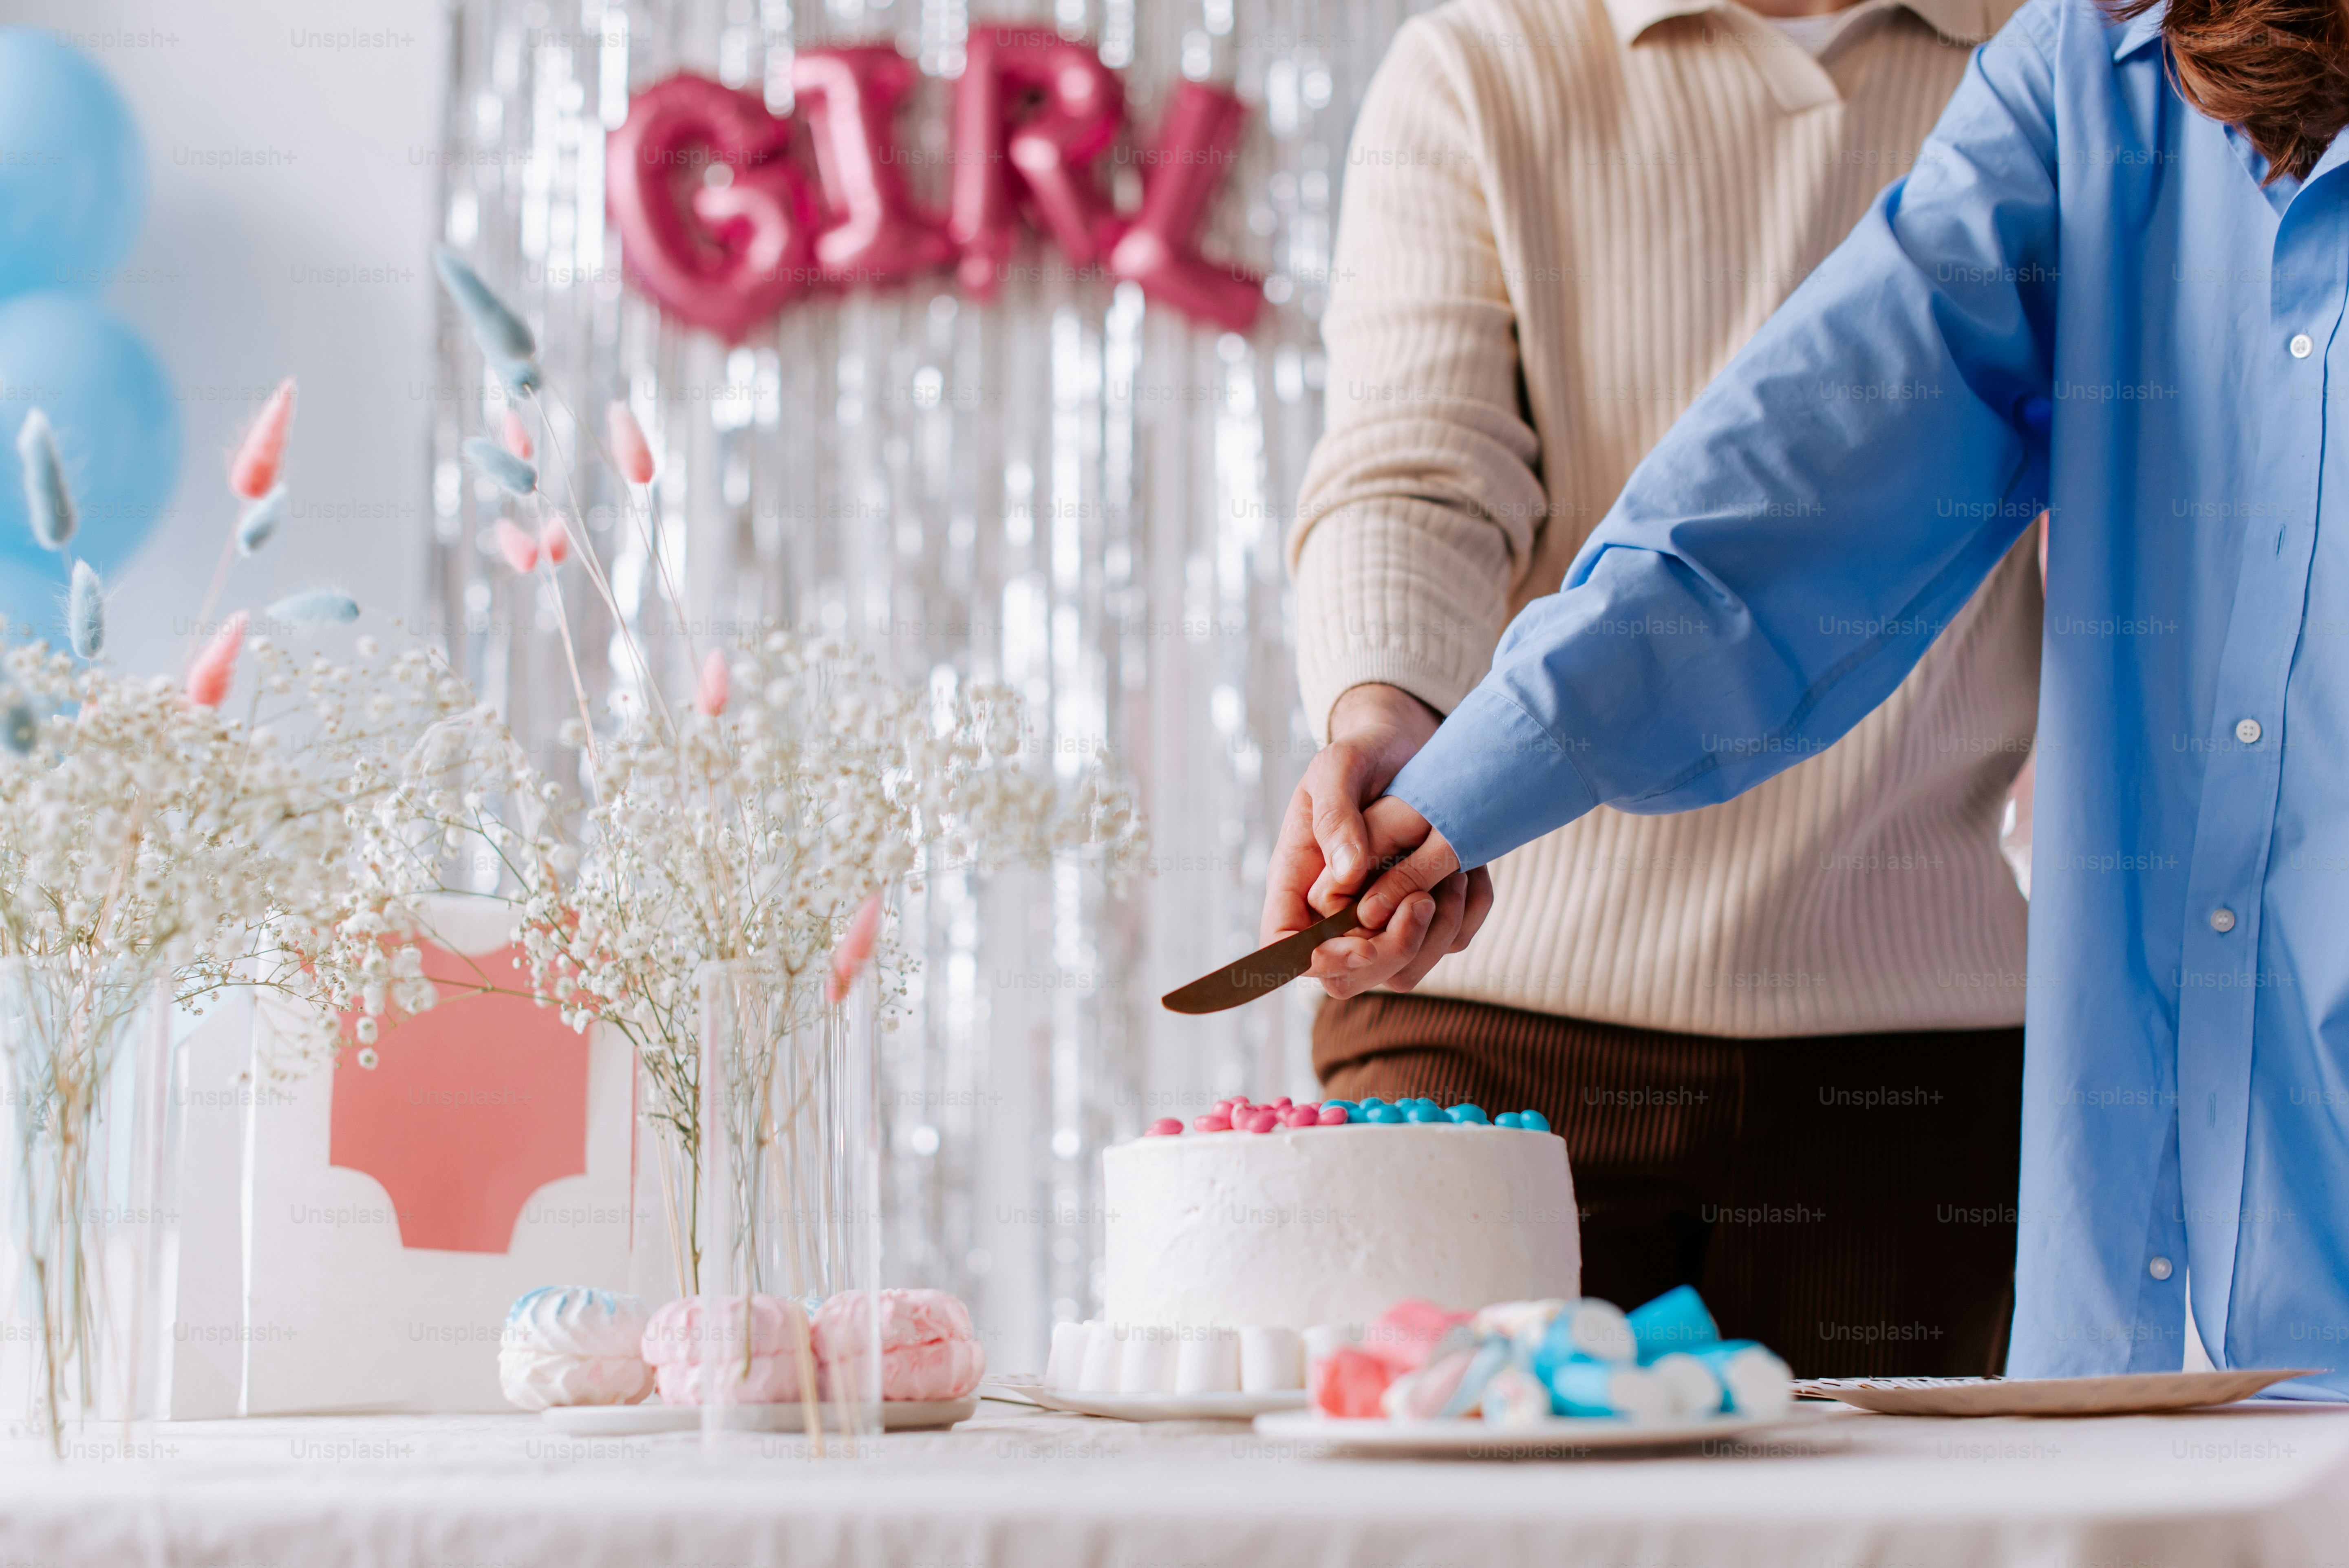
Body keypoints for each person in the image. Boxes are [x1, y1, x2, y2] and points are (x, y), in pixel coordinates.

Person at [1280, 0, 2349, 1394]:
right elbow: (1790, 479)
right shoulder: (2096, 75)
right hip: (1518, 1023)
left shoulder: (2015, 49)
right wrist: (1429, 766)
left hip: (1923, 1069)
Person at [1274, 0, 2040, 1374]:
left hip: (1921, 1058)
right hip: (1488, 1026)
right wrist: (1386, 709)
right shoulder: (1483, 63)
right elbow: (1419, 465)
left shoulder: (2066, 69)